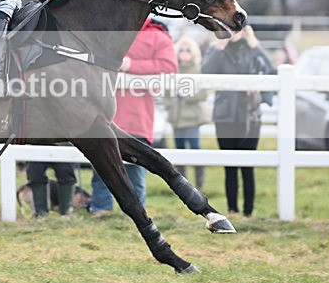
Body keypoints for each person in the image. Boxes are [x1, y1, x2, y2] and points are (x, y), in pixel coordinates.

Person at [90, 19, 178, 215]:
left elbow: (169, 66)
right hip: (103, 114)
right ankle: (101, 210)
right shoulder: (109, 30)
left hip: (137, 115)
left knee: (135, 170)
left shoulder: (157, 35)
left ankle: (137, 214)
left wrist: (131, 65)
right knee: (101, 167)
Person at [202, 25, 273, 218]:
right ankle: (232, 210)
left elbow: (272, 71)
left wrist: (255, 44)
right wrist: (219, 47)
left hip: (250, 115)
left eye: (238, 29)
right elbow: (206, 73)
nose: (234, 33)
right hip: (225, 116)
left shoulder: (253, 49)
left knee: (248, 166)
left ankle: (248, 212)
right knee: (229, 166)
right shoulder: (217, 49)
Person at [163, 35, 208, 191]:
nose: (184, 52)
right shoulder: (172, 71)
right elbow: (166, 94)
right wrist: (170, 106)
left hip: (192, 118)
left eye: (188, 50)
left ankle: (200, 185)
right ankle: (184, 186)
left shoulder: (197, 70)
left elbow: (203, 94)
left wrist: (186, 95)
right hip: (176, 118)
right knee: (179, 152)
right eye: (181, 49)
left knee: (195, 150)